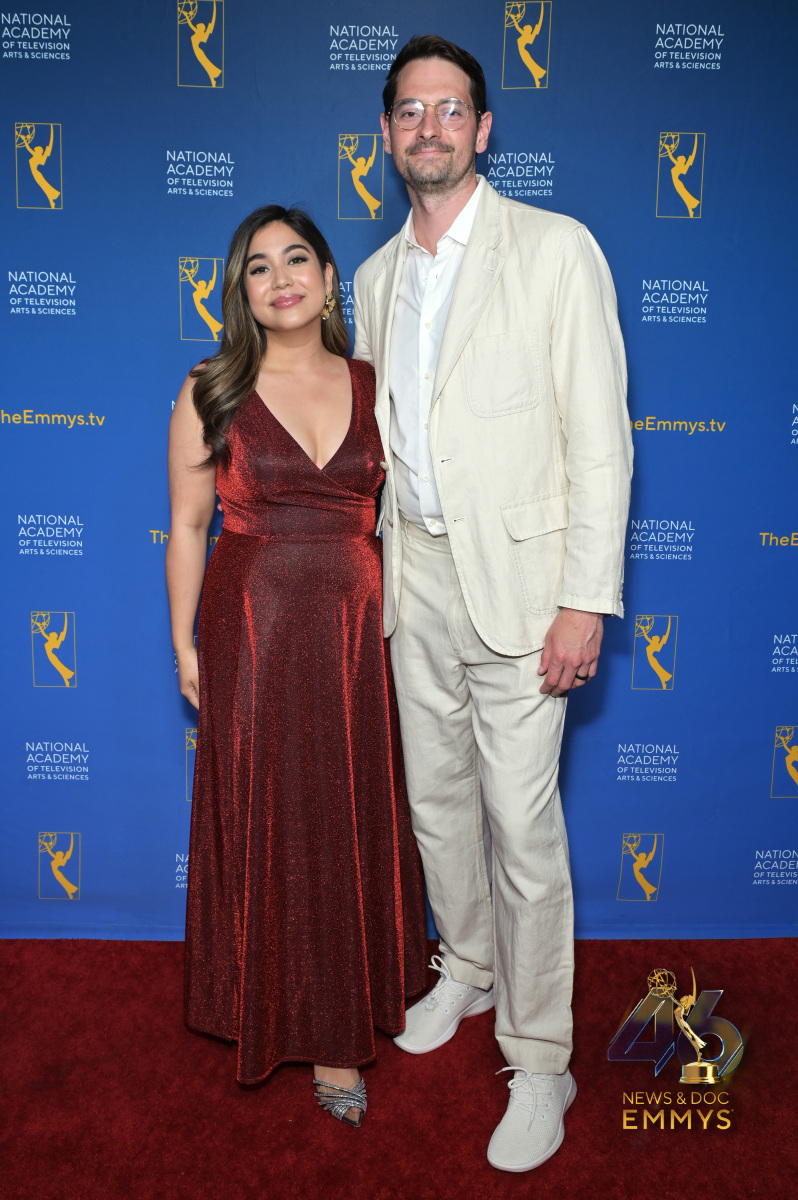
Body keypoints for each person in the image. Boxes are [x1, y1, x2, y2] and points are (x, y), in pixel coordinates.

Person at [354, 35, 632, 1170]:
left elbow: (599, 438)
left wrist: (585, 598)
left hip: (524, 592)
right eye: (409, 110)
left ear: (482, 129)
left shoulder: (557, 249)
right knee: (438, 809)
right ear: (387, 134)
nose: (430, 126)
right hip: (412, 577)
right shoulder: (374, 277)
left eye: (450, 108)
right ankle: (467, 967)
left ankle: (541, 1057)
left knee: (522, 828)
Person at [166, 205, 427, 1127]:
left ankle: (341, 1016)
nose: (281, 278)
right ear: (239, 291)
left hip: (357, 632)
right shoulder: (211, 387)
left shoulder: (375, 381)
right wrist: (183, 643)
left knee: (345, 810)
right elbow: (189, 525)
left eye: (297, 259)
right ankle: (276, 1009)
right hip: (254, 627)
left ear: (326, 278)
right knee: (272, 813)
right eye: (258, 267)